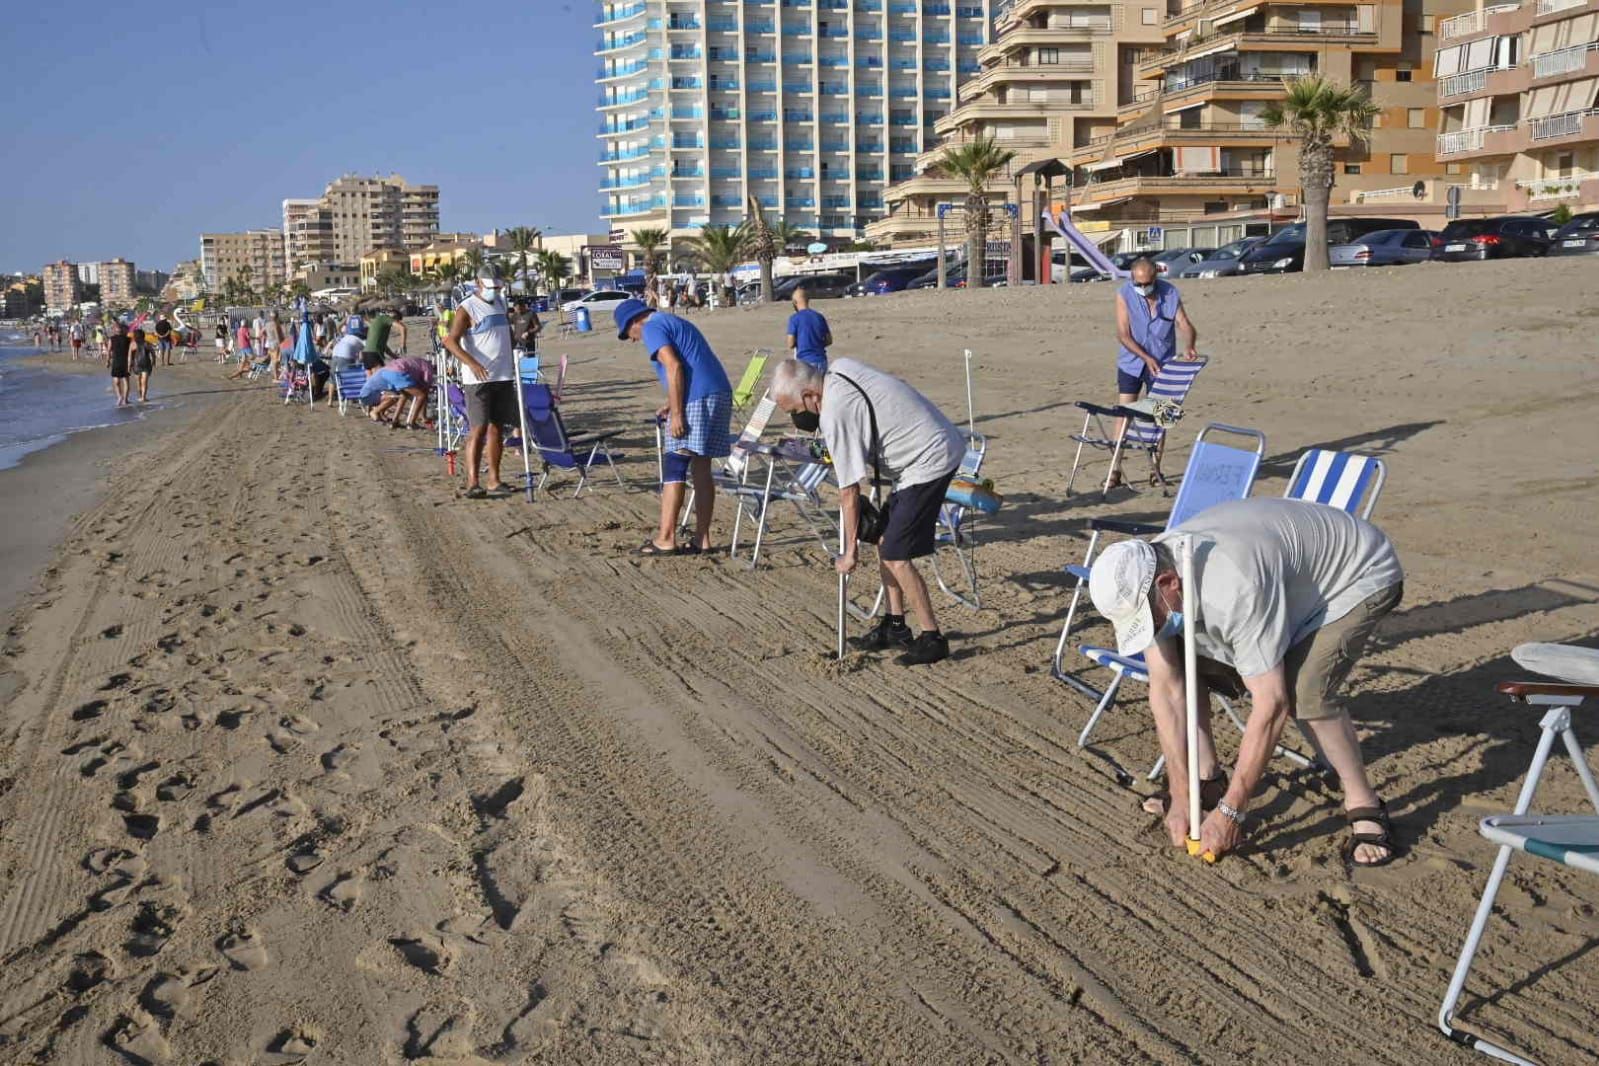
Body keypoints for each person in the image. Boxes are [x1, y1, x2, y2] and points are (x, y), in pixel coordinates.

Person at [1087, 497, 1405, 867]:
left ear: (1169, 582)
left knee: (1306, 692)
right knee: (1185, 659)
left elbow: (1271, 704)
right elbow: (1166, 686)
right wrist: (1179, 791)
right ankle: (1205, 780)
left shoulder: (1236, 586)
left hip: (1359, 573)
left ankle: (1363, 801)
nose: (1151, 627)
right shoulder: (1153, 569)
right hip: (1282, 564)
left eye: (1149, 618)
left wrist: (1232, 813)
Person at [771, 357, 965, 666]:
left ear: (810, 396)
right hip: (919, 452)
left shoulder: (835, 414)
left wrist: (849, 553)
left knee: (895, 554)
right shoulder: (838, 368)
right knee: (883, 538)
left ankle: (932, 639)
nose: (797, 419)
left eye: (794, 410)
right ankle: (895, 625)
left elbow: (849, 492)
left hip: (930, 457)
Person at [614, 298, 733, 555]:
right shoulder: (674, 321)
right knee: (701, 465)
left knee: (675, 463)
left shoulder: (651, 327)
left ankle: (666, 538)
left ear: (636, 321)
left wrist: (677, 413)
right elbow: (693, 364)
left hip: (699, 397)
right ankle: (703, 538)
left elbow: (674, 365)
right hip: (719, 392)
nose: (634, 340)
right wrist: (672, 402)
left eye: (628, 333)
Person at [1109, 257, 1199, 489]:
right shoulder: (1124, 293)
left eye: (1146, 283)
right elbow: (1123, 335)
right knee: (1124, 413)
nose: (1142, 288)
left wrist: (1189, 345)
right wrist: (1145, 357)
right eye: (1137, 283)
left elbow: (1185, 324)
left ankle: (1155, 468)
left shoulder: (1169, 293)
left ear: (1155, 278)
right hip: (1132, 362)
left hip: (1163, 362)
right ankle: (1115, 469)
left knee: (1162, 415)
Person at [444, 266, 518, 499]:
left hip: (503, 375)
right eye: (490, 287)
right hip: (478, 380)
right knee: (478, 429)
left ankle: (494, 479)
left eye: (498, 287)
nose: (494, 291)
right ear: (478, 283)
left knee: (498, 428)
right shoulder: (466, 308)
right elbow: (450, 341)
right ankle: (473, 482)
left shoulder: (501, 303)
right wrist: (473, 363)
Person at [361, 355, 435, 428]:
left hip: (392, 370)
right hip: (397, 372)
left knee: (405, 394)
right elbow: (425, 386)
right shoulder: (428, 367)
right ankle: (411, 422)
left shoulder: (419, 361)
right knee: (421, 396)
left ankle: (395, 420)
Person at [785, 287, 832, 371]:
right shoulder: (819, 317)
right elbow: (829, 340)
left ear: (795, 302)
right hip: (821, 360)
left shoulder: (794, 318)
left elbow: (790, 343)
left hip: (805, 362)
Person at [106, 323, 133, 406]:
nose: (118, 330)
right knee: (116, 381)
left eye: (120, 329)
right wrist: (108, 360)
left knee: (125, 381)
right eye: (117, 329)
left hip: (125, 361)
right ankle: (119, 397)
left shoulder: (128, 339)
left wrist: (131, 362)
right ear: (115, 330)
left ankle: (125, 399)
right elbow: (109, 350)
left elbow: (131, 351)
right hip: (116, 361)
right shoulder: (112, 339)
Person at [130, 326, 155, 403]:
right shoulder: (147, 343)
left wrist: (129, 365)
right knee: (144, 382)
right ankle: (143, 397)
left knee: (138, 382)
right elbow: (153, 353)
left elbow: (129, 356)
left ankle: (140, 396)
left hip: (136, 364)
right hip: (146, 363)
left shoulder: (133, 344)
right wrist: (154, 361)